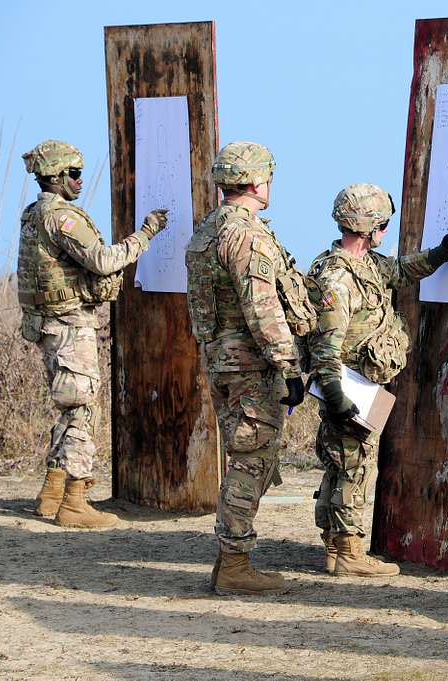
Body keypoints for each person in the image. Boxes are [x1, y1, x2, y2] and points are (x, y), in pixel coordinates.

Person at [307, 183, 448, 577]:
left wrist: (440, 255)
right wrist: (335, 395)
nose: (386, 232)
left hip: (360, 385)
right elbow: (326, 347)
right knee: (353, 466)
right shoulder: (338, 279)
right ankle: (348, 553)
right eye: (383, 225)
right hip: (348, 386)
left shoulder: (367, 266)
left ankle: (334, 546)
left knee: (342, 464)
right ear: (372, 227)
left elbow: (402, 270)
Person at [185, 141, 316, 595]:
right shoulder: (247, 234)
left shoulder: (207, 230)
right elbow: (261, 308)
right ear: (259, 181)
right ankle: (236, 563)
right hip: (249, 365)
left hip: (222, 361)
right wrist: (290, 365)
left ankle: (231, 563)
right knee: (251, 459)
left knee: (247, 454)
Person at [20, 139, 168, 529]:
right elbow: (103, 261)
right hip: (69, 327)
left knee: (71, 407)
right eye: (73, 174)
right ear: (55, 177)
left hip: (54, 325)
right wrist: (146, 235)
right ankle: (74, 501)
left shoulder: (34, 214)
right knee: (82, 410)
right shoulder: (61, 218)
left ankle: (52, 493)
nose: (80, 180)